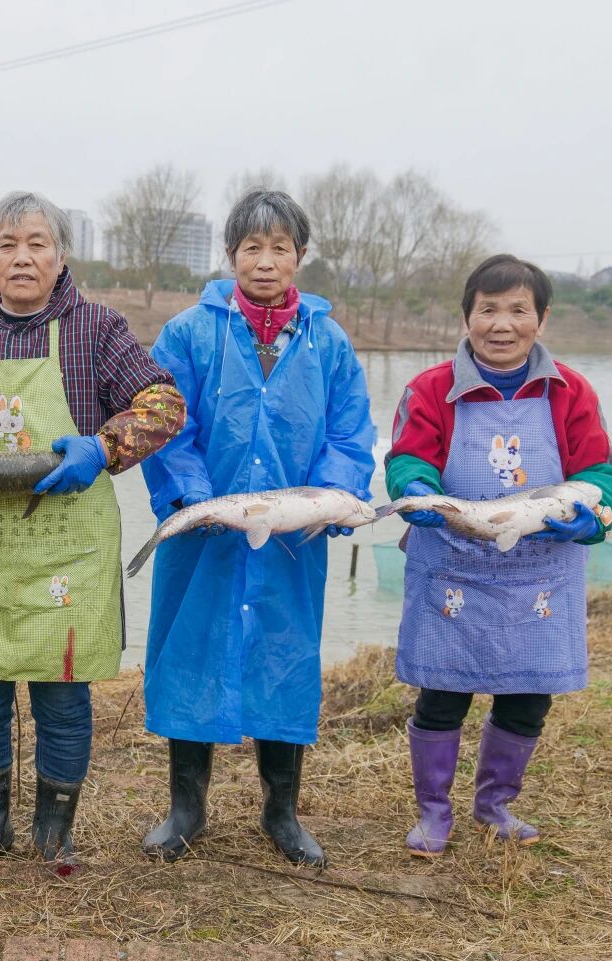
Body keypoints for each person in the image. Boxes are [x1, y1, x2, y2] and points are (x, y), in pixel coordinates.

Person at [0, 191, 185, 865]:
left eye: (37, 243)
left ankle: (54, 833)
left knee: (62, 699)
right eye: (8, 243)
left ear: (62, 255)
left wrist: (104, 446)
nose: (22, 256)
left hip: (65, 548)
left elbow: (164, 403)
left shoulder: (97, 329)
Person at [138, 189, 375, 867]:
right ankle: (186, 808)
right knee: (191, 655)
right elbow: (164, 423)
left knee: (285, 660)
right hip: (205, 539)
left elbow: (351, 435)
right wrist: (193, 496)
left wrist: (332, 499)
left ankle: (281, 811)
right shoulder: (189, 332)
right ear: (231, 254)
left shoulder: (328, 342)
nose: (265, 262)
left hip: (291, 544)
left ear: (300, 255)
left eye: (279, 248)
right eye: (252, 247)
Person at [385, 254, 612, 856]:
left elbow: (598, 471)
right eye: (487, 309)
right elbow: (409, 457)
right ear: (467, 317)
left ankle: (494, 804)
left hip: (541, 574)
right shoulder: (431, 388)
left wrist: (591, 516)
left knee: (527, 694)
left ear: (541, 318)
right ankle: (434, 812)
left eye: (518, 310)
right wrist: (413, 490)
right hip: (452, 567)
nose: (501, 323)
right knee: (442, 692)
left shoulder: (570, 391)